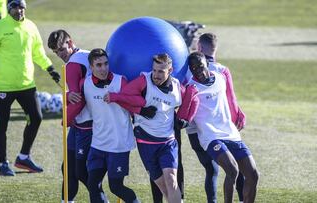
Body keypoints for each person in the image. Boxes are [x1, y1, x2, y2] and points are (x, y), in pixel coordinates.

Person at [0, 0, 60, 176]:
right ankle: (3, 163)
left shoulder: (31, 27)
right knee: (1, 125)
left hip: (27, 85)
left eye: (22, 7)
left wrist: (50, 68)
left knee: (36, 118)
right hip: (4, 87)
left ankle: (24, 157)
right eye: (15, 7)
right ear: (8, 8)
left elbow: (38, 53)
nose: (19, 10)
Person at [104, 53, 198, 203]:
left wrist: (186, 120)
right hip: (146, 143)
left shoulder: (177, 87)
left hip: (168, 142)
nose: (156, 75)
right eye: (154, 70)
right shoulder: (143, 81)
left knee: (171, 180)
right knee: (163, 187)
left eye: (161, 71)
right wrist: (140, 110)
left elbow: (194, 98)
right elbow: (123, 97)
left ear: (170, 70)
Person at [67, 48, 141, 203]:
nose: (103, 68)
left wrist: (117, 97)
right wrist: (67, 97)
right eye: (99, 65)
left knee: (116, 187)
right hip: (98, 144)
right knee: (93, 183)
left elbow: (135, 103)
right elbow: (75, 102)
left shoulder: (121, 81)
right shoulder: (85, 84)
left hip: (119, 144)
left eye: (106, 64)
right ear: (91, 67)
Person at [187, 51, 259, 203]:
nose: (198, 71)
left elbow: (231, 99)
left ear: (207, 64)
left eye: (200, 66)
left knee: (253, 174)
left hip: (231, 134)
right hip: (211, 137)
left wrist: (238, 114)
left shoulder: (220, 77)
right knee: (232, 170)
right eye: (193, 69)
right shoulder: (191, 88)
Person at [48, 30, 103, 203]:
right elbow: (77, 94)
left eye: (62, 50)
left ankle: (101, 199)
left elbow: (78, 101)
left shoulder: (72, 65)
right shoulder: (87, 55)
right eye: (56, 53)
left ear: (70, 43)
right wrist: (66, 96)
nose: (60, 55)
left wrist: (65, 120)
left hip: (87, 125)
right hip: (84, 123)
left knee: (81, 172)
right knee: (67, 168)